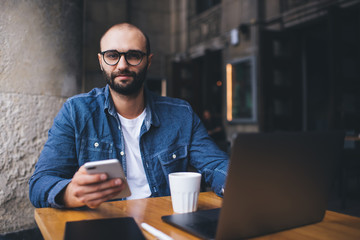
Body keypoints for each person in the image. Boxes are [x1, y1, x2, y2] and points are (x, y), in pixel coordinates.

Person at [29, 23, 229, 209]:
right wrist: (71, 192)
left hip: (164, 224)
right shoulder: (76, 112)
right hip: (105, 225)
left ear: (148, 61)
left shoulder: (181, 114)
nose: (122, 65)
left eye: (133, 55)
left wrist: (232, 182)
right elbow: (40, 184)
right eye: (112, 55)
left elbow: (217, 165)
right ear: (101, 61)